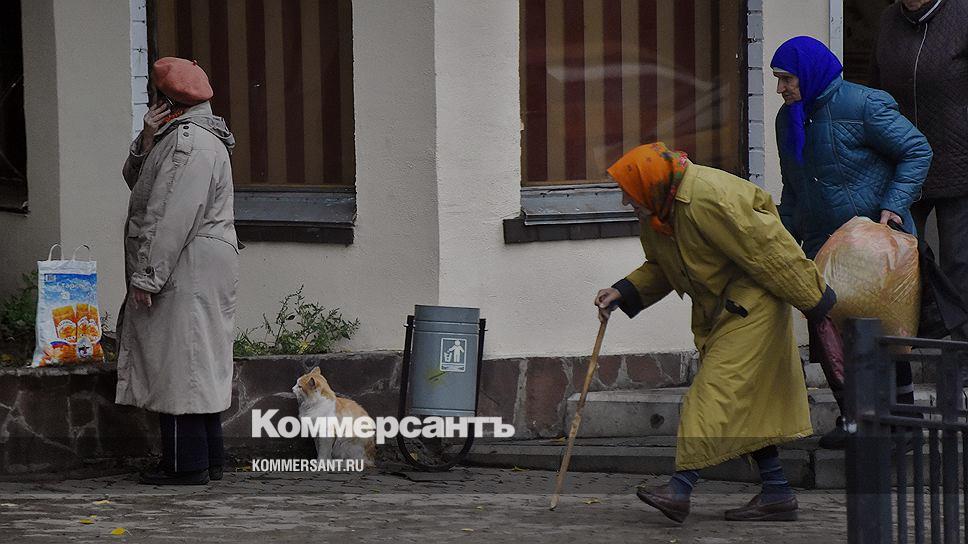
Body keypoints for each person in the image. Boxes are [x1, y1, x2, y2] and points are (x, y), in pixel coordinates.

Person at [596, 142, 836, 523]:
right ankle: (777, 492)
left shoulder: (710, 197)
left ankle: (680, 489)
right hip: (723, 310)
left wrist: (816, 300)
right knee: (747, 400)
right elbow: (661, 266)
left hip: (754, 305)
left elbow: (768, 249)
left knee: (713, 393)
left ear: (649, 184)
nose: (626, 202)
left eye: (629, 193)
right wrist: (623, 291)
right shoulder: (659, 211)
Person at [771, 36, 931, 449]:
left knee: (884, 332)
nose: (781, 88)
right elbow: (794, 187)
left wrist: (893, 205)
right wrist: (783, 240)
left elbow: (916, 150)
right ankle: (853, 419)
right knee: (829, 335)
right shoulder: (787, 119)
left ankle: (903, 423)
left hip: (872, 246)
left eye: (787, 79)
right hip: (822, 246)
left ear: (809, 74)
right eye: (777, 79)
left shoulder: (863, 105)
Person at [116, 57, 240, 485]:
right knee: (197, 359)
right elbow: (142, 185)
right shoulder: (191, 137)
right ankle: (208, 459)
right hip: (199, 262)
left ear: (167, 102)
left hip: (187, 263)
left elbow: (170, 215)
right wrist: (145, 141)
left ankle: (184, 466)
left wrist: (148, 276)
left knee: (178, 362)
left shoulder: (188, 143)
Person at [870, 0, 968, 339]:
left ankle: (962, 351)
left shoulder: (962, 14)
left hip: (959, 163)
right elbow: (876, 90)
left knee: (960, 262)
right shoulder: (889, 20)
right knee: (902, 260)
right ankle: (908, 346)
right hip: (904, 165)